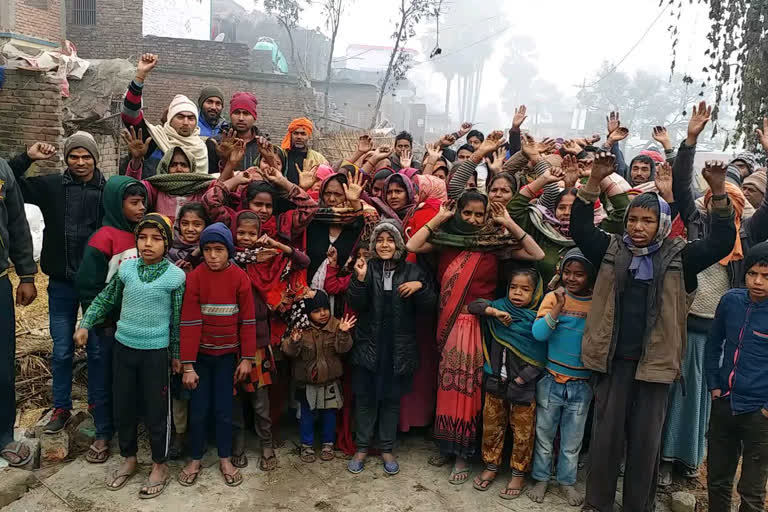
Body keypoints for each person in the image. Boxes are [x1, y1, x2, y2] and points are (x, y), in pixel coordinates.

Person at [569, 145, 735, 512]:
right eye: (632, 220)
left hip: (655, 367)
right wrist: (593, 181)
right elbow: (580, 228)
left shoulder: (681, 256)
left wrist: (719, 192)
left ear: (661, 223)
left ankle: (637, 506)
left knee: (646, 444)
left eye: (647, 221)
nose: (638, 227)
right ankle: (597, 504)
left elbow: (722, 242)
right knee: (606, 439)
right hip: (613, 362)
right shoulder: (611, 250)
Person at [406, 158, 545, 484]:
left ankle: (464, 455)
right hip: (448, 324)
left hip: (481, 327)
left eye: (478, 215)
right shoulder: (446, 241)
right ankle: (446, 445)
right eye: (466, 213)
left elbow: (537, 255)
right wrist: (442, 217)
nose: (471, 219)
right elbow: (410, 246)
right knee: (447, 386)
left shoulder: (494, 246)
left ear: (487, 216)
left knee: (472, 390)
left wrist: (508, 222)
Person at [661, 104, 768, 484]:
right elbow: (681, 189)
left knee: (706, 401)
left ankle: (688, 461)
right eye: (716, 199)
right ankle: (663, 458)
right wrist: (688, 142)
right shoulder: (697, 229)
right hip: (682, 328)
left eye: (733, 202)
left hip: (722, 338)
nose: (720, 204)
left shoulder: (749, 239)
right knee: (674, 397)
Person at [74, 214, 185, 498]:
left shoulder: (175, 276)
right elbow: (105, 299)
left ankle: (159, 464)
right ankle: (129, 459)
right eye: (143, 237)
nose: (148, 244)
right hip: (124, 348)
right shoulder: (127, 270)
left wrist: (176, 355)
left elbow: (177, 320)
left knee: (156, 410)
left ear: (167, 243)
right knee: (123, 405)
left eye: (156, 239)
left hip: (156, 353)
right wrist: (85, 323)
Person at [9, 134, 107, 435]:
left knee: (97, 349)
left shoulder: (107, 190)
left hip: (95, 288)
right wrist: (28, 156)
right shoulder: (52, 186)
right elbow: (8, 182)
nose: (80, 162)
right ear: (66, 158)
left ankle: (97, 406)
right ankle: (61, 407)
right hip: (61, 284)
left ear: (95, 158)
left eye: (86, 156)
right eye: (74, 156)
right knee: (62, 349)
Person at [346, 220, 436, 475]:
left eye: (390, 240)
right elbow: (356, 303)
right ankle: (362, 447)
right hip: (369, 345)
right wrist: (360, 279)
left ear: (399, 244)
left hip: (398, 348)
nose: (385, 245)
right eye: (380, 240)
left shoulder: (411, 271)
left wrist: (421, 288)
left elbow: (429, 306)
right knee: (365, 398)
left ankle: (387, 447)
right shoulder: (368, 267)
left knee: (391, 400)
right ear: (373, 244)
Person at [230, 210, 310, 472]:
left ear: (260, 234)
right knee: (235, 400)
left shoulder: (267, 260)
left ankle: (266, 445)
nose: (245, 238)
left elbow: (302, 260)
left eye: (252, 234)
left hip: (257, 341)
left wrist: (277, 245)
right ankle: (238, 445)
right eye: (240, 233)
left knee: (260, 400)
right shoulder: (228, 259)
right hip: (228, 341)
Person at [75, 175, 147, 464]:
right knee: (102, 378)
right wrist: (98, 321)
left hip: (132, 324)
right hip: (106, 326)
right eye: (134, 203)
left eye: (143, 202)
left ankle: (128, 426)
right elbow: (88, 284)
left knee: (126, 379)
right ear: (117, 205)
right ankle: (103, 432)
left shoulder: (144, 235)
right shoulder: (103, 238)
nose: (141, 208)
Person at [179, 223, 256, 487]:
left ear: (229, 251)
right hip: (200, 357)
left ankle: (225, 457)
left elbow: (247, 321)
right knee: (198, 411)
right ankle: (196, 458)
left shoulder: (239, 278)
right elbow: (188, 322)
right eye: (208, 250)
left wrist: (247, 357)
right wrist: (188, 365)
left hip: (227, 358)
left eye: (219, 250)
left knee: (224, 410)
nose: (213, 255)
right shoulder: (196, 277)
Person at [467, 267, 546, 499]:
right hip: (495, 381)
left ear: (536, 292)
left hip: (523, 386)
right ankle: (491, 466)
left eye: (525, 289)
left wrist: (524, 377)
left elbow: (541, 355)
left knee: (523, 432)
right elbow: (474, 306)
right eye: (513, 287)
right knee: (492, 426)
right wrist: (494, 312)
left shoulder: (538, 318)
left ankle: (518, 474)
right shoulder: (500, 308)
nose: (517, 293)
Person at [528, 249, 596, 507]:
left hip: (582, 383)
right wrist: (558, 307)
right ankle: (542, 478)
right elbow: (538, 333)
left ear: (590, 277)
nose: (571, 278)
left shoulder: (597, 303)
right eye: (567, 272)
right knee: (544, 433)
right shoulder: (552, 298)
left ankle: (567, 481)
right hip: (550, 380)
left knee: (572, 439)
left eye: (579, 274)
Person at [705, 241, 768, 512]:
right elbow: (713, 343)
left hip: (759, 413)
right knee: (718, 479)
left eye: (766, 277)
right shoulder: (731, 301)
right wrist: (714, 384)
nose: (758, 281)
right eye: (753, 273)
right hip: (725, 402)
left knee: (752, 490)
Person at [282, 290, 355, 464]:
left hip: (330, 382)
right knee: (307, 415)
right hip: (307, 383)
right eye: (316, 311)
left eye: (325, 309)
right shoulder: (299, 328)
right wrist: (294, 341)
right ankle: (306, 445)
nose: (322, 314)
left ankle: (327, 443)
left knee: (329, 414)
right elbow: (288, 352)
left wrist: (344, 334)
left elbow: (344, 349)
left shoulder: (337, 325)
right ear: (308, 313)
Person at [0, 156, 38, 468]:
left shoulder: (2, 170)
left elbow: (16, 223)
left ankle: (3, 436)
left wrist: (26, 275)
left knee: (2, 362)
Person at [121, 53, 209, 176]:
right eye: (180, 117)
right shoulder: (154, 140)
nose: (185, 122)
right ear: (170, 119)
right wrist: (141, 75)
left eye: (191, 118)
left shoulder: (202, 147)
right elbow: (129, 115)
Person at [123, 133, 221, 223]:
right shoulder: (156, 187)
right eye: (173, 165)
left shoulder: (202, 186)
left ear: (192, 168)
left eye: (184, 165)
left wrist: (226, 162)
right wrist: (136, 159)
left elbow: (221, 189)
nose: (179, 169)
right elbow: (132, 189)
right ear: (166, 168)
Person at [205, 92, 265, 173]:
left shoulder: (263, 145)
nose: (241, 118)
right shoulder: (215, 143)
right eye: (236, 113)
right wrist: (224, 159)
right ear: (231, 115)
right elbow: (210, 179)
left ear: (254, 117)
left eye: (246, 113)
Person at [280, 117, 328, 185]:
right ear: (291, 135)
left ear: (309, 136)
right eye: (296, 133)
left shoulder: (319, 159)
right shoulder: (281, 154)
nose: (299, 137)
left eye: (303, 134)